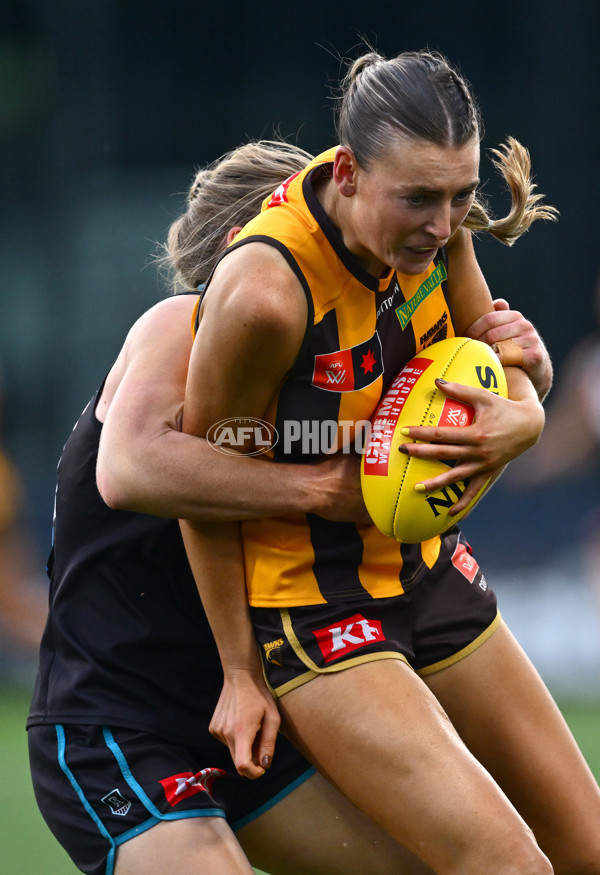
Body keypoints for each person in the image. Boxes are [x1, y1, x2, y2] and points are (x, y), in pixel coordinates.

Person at [179, 51, 600, 873]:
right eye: (420, 198)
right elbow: (194, 483)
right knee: (509, 865)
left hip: (426, 570)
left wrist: (528, 414)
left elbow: (501, 366)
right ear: (348, 172)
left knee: (587, 849)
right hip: (311, 607)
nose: (445, 226)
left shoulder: (434, 237)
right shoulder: (267, 295)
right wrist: (237, 671)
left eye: (462, 195)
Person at [27, 141, 438, 875]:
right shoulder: (176, 322)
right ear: (239, 249)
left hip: (243, 718)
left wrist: (518, 376)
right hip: (114, 724)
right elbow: (130, 468)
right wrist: (316, 490)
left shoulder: (312, 378)